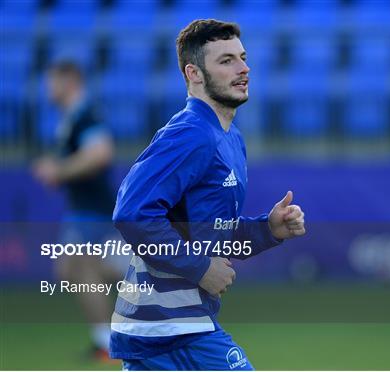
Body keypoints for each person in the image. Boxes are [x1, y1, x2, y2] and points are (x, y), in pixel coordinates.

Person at [110, 19, 306, 370]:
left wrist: (267, 229)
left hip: (172, 326)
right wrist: (200, 268)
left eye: (243, 58)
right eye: (226, 60)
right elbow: (132, 214)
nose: (244, 68)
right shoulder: (190, 134)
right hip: (171, 327)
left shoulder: (230, 137)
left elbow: (208, 232)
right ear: (194, 73)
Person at [33, 60, 119, 362]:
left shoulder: (84, 114)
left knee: (77, 268)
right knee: (70, 270)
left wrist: (59, 170)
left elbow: (100, 153)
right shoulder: (72, 117)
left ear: (68, 81)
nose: (47, 88)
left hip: (92, 209)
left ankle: (107, 342)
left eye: (51, 81)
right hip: (84, 207)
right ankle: (146, 280)